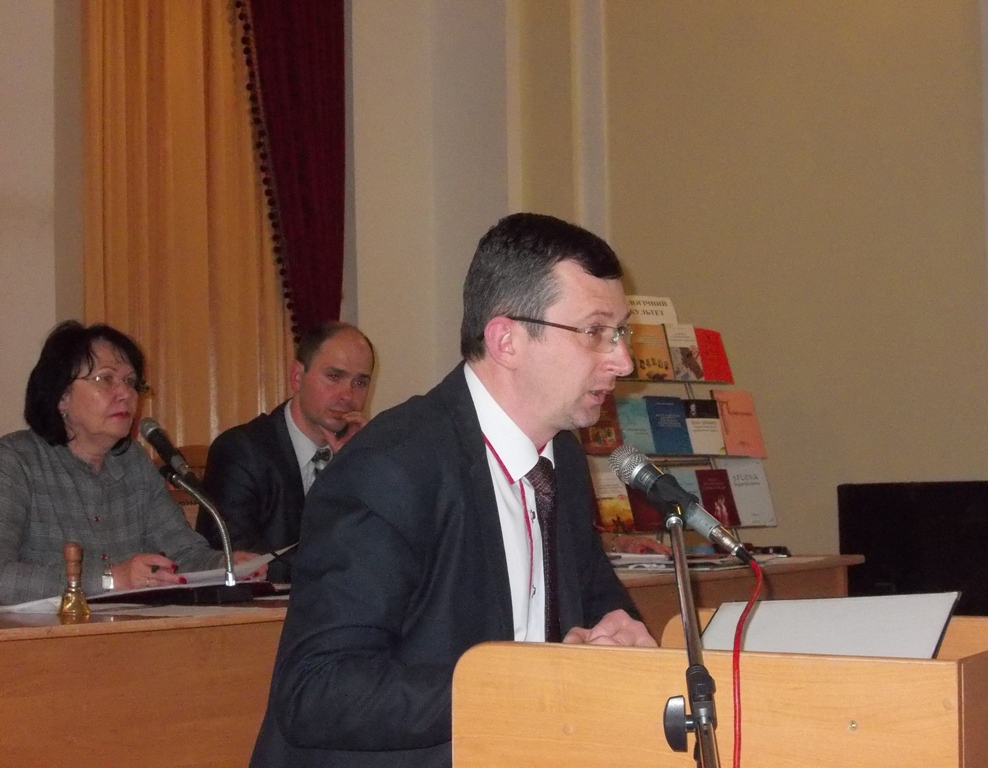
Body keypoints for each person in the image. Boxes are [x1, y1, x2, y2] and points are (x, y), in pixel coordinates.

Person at [250, 213, 656, 768]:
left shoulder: (559, 455)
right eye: (594, 332)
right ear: (506, 340)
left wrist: (621, 637)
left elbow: (593, 597)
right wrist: (519, 689)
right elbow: (317, 690)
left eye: (621, 332)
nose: (622, 360)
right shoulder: (391, 469)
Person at [0, 321, 264, 605]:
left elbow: (184, 554)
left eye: (130, 382)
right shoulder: (15, 462)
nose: (126, 394)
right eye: (106, 379)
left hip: (129, 629)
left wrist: (227, 566)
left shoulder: (133, 462)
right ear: (61, 396)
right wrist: (110, 579)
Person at [197, 321, 374, 582]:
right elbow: (238, 558)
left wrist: (356, 466)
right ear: (297, 376)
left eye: (360, 382)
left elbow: (383, 549)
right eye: (334, 377)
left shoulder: (363, 456)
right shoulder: (241, 451)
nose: (347, 395)